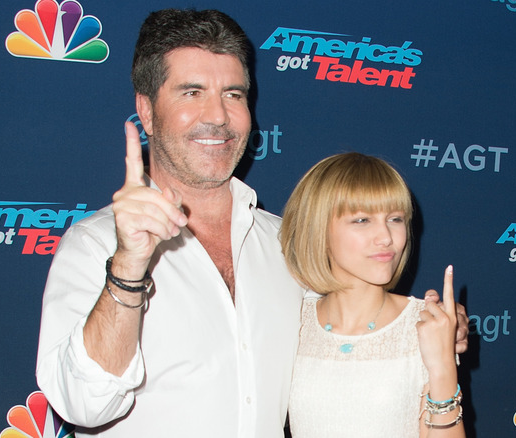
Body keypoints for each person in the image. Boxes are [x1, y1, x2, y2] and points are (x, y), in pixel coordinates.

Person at [35, 8, 468, 438]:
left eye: (233, 94)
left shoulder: (285, 243)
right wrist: (129, 267)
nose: (218, 115)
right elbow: (82, 404)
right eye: (191, 92)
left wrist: (433, 333)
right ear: (146, 112)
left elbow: (354, 327)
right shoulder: (95, 246)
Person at [281, 152, 465, 437]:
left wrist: (442, 367)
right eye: (362, 220)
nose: (386, 237)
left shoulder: (427, 325)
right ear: (318, 228)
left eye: (395, 219)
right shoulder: (291, 320)